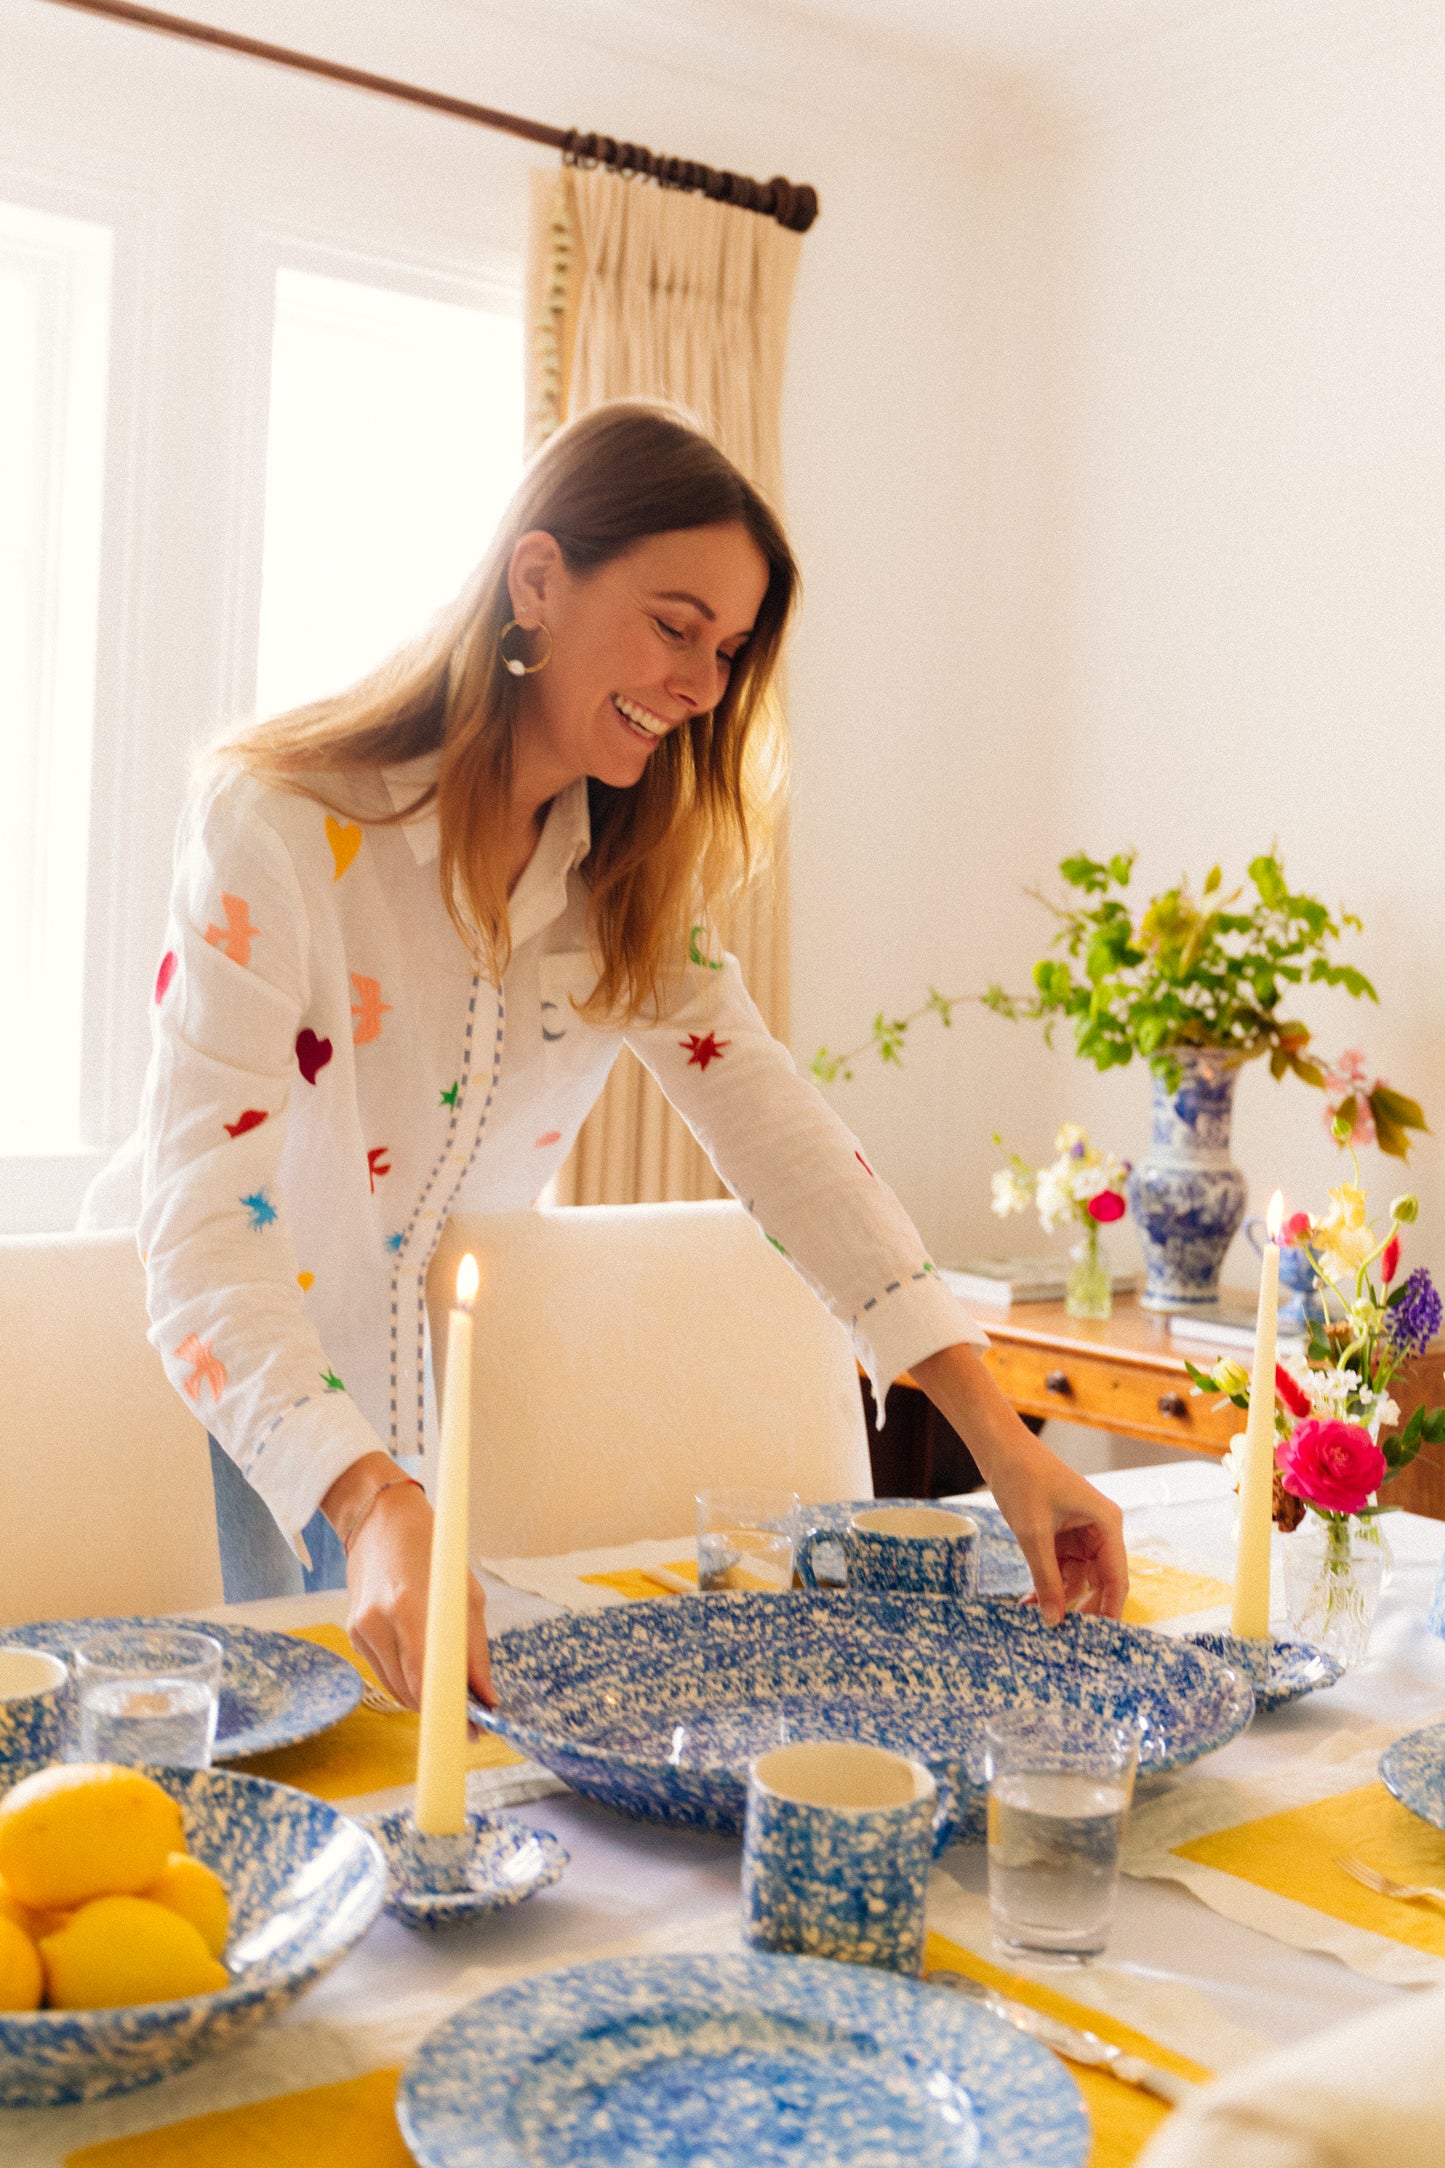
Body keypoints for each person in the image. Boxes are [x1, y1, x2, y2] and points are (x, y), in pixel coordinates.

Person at [84, 400, 1126, 1711]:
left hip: (424, 1417)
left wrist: (999, 1437)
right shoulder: (281, 826)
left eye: (729, 650)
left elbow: (779, 1135)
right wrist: (366, 1496)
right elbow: (199, 1235)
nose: (700, 683)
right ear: (537, 581)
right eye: (673, 625)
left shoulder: (621, 873)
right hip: (214, 1394)